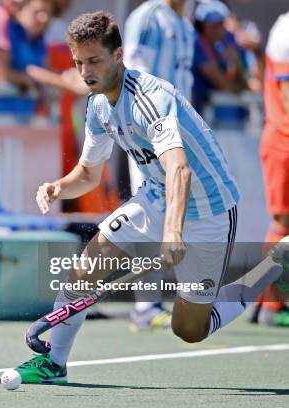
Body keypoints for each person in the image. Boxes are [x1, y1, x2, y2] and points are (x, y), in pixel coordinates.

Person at [9, 11, 285, 384]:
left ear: (118, 55)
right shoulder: (98, 105)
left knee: (189, 330)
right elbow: (88, 175)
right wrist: (59, 186)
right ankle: (54, 362)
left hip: (209, 212)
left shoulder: (150, 98)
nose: (85, 72)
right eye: (78, 63)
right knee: (91, 259)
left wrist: (173, 232)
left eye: (94, 61)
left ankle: (271, 267)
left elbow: (179, 169)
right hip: (156, 198)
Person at [122, 0, 195, 331]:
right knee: (151, 212)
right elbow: (134, 78)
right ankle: (145, 306)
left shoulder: (184, 23)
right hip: (151, 132)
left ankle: (176, 300)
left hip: (178, 130)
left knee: (179, 211)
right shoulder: (148, 17)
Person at [252, 11, 289, 326]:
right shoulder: (286, 30)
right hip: (283, 142)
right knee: (283, 223)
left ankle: (267, 301)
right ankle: (269, 305)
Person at [191, 0, 247, 115]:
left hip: (217, 118)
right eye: (213, 24)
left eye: (220, 23)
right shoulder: (196, 44)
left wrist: (236, 63)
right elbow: (226, 86)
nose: (219, 29)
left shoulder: (221, 47)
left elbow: (242, 82)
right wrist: (239, 88)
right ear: (203, 26)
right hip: (204, 118)